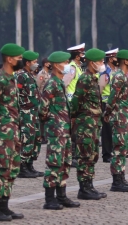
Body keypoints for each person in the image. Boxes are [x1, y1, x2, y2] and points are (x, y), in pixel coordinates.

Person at [0, 44, 26, 221]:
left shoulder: (12, 78)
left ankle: (4, 205)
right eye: (18, 58)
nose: (20, 61)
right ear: (9, 59)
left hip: (13, 129)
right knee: (2, 167)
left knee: (12, 167)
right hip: (3, 130)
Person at [40, 51, 81, 209]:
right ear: (56, 65)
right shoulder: (52, 84)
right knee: (54, 163)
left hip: (64, 129)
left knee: (64, 162)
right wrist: (52, 122)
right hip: (56, 130)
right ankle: (50, 198)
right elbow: (43, 108)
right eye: (65, 62)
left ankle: (62, 195)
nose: (67, 65)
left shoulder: (59, 82)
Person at [71, 48, 108, 200]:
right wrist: (74, 119)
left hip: (93, 123)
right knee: (85, 156)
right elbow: (75, 101)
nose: (102, 63)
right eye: (100, 61)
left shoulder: (92, 78)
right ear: (92, 63)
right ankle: (84, 188)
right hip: (85, 123)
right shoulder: (85, 79)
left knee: (92, 155)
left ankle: (89, 185)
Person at [104, 49, 128, 191]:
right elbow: (113, 97)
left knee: (123, 149)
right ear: (125, 61)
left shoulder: (124, 76)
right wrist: (107, 112)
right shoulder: (119, 76)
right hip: (119, 117)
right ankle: (116, 181)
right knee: (119, 148)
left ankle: (122, 177)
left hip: (125, 116)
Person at [16, 51, 44, 178]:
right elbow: (17, 94)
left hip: (34, 112)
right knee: (27, 138)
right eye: (34, 62)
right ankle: (22, 166)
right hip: (26, 113)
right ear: (27, 63)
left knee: (36, 138)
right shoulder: (21, 76)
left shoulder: (30, 75)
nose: (36, 64)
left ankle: (30, 165)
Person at [99, 48, 119, 163]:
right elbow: (101, 88)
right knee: (107, 130)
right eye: (116, 57)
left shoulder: (115, 70)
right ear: (111, 59)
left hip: (114, 103)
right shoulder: (106, 72)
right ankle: (106, 154)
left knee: (113, 128)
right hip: (106, 103)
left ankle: (112, 150)